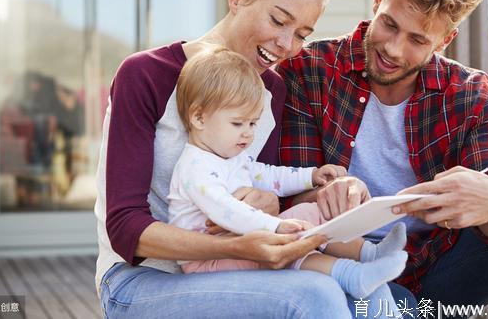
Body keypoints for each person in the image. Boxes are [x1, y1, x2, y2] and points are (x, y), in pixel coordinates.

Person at [277, 0, 488, 316]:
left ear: (445, 40)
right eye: (389, 24)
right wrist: (325, 191)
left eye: (417, 39)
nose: (394, 50)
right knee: (398, 306)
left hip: (438, 270)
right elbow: (287, 194)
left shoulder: (473, 97)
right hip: (344, 267)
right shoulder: (309, 71)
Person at [95, 0, 375, 319]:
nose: (286, 44)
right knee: (314, 296)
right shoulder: (146, 75)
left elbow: (258, 185)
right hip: (140, 278)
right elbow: (126, 228)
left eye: (302, 34)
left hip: (232, 268)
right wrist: (236, 247)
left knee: (377, 298)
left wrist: (281, 201)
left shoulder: (271, 90)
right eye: (278, 20)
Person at [168, 46, 408, 304]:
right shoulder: (195, 168)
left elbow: (267, 176)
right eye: (238, 123)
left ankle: (369, 254)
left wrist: (311, 176)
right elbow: (227, 211)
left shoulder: (229, 156)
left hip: (239, 240)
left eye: (252, 123)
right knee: (288, 243)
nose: (248, 133)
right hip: (207, 262)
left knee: (311, 211)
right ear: (199, 117)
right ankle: (351, 275)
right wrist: (276, 227)